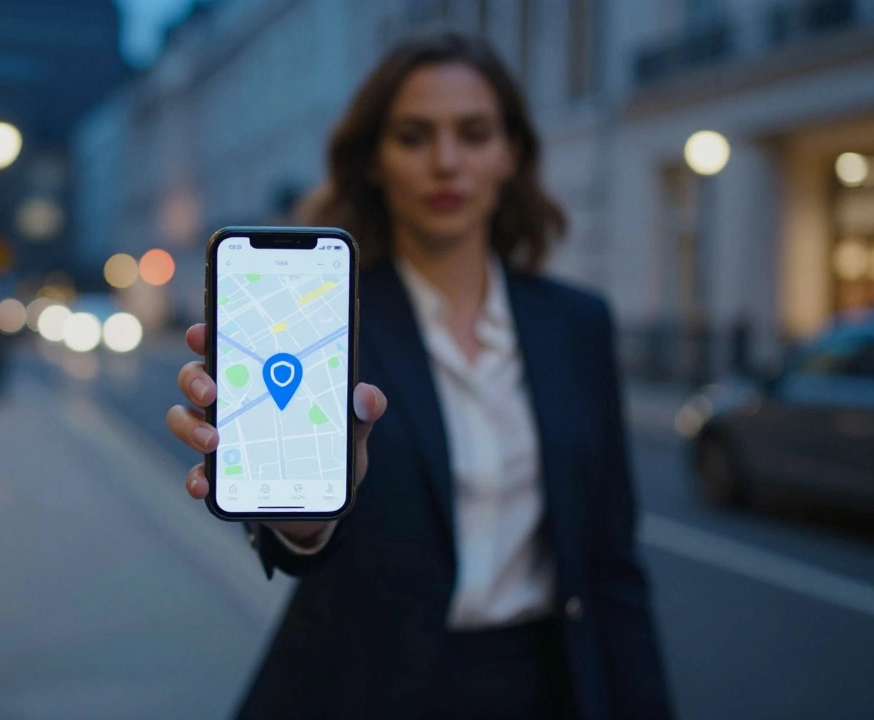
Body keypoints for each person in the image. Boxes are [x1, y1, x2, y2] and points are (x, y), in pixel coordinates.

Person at [166, 33, 673, 720]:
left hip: (549, 686)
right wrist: (299, 524)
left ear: (511, 153)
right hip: (363, 689)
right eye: (413, 136)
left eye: (474, 133)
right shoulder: (320, 320)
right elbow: (304, 550)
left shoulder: (577, 324)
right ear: (373, 161)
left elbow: (613, 561)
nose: (446, 162)